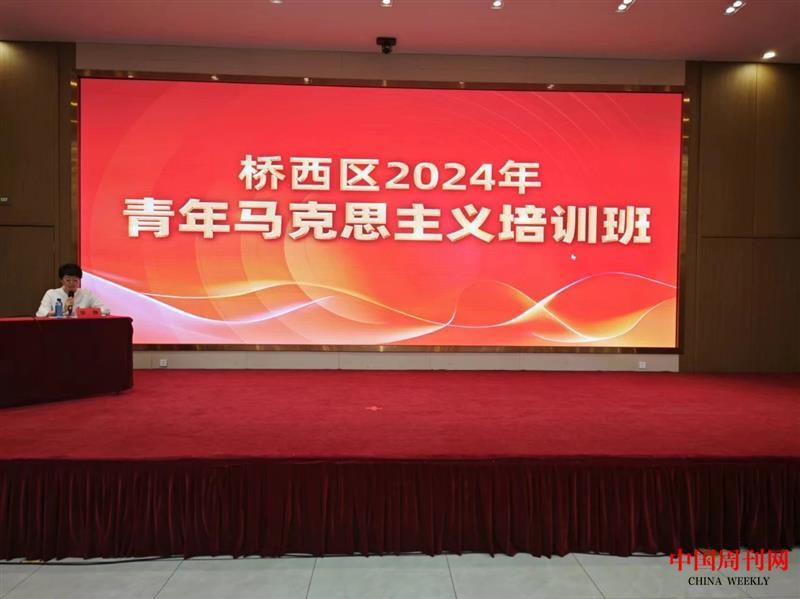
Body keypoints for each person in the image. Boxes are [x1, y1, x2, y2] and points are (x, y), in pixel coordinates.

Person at [35, 263, 109, 317]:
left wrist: (83, 312)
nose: (72, 283)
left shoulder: (87, 294)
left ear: (80, 280)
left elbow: (105, 310)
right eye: (68, 280)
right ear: (61, 280)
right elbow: (40, 313)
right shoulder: (51, 293)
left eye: (75, 280)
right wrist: (61, 311)